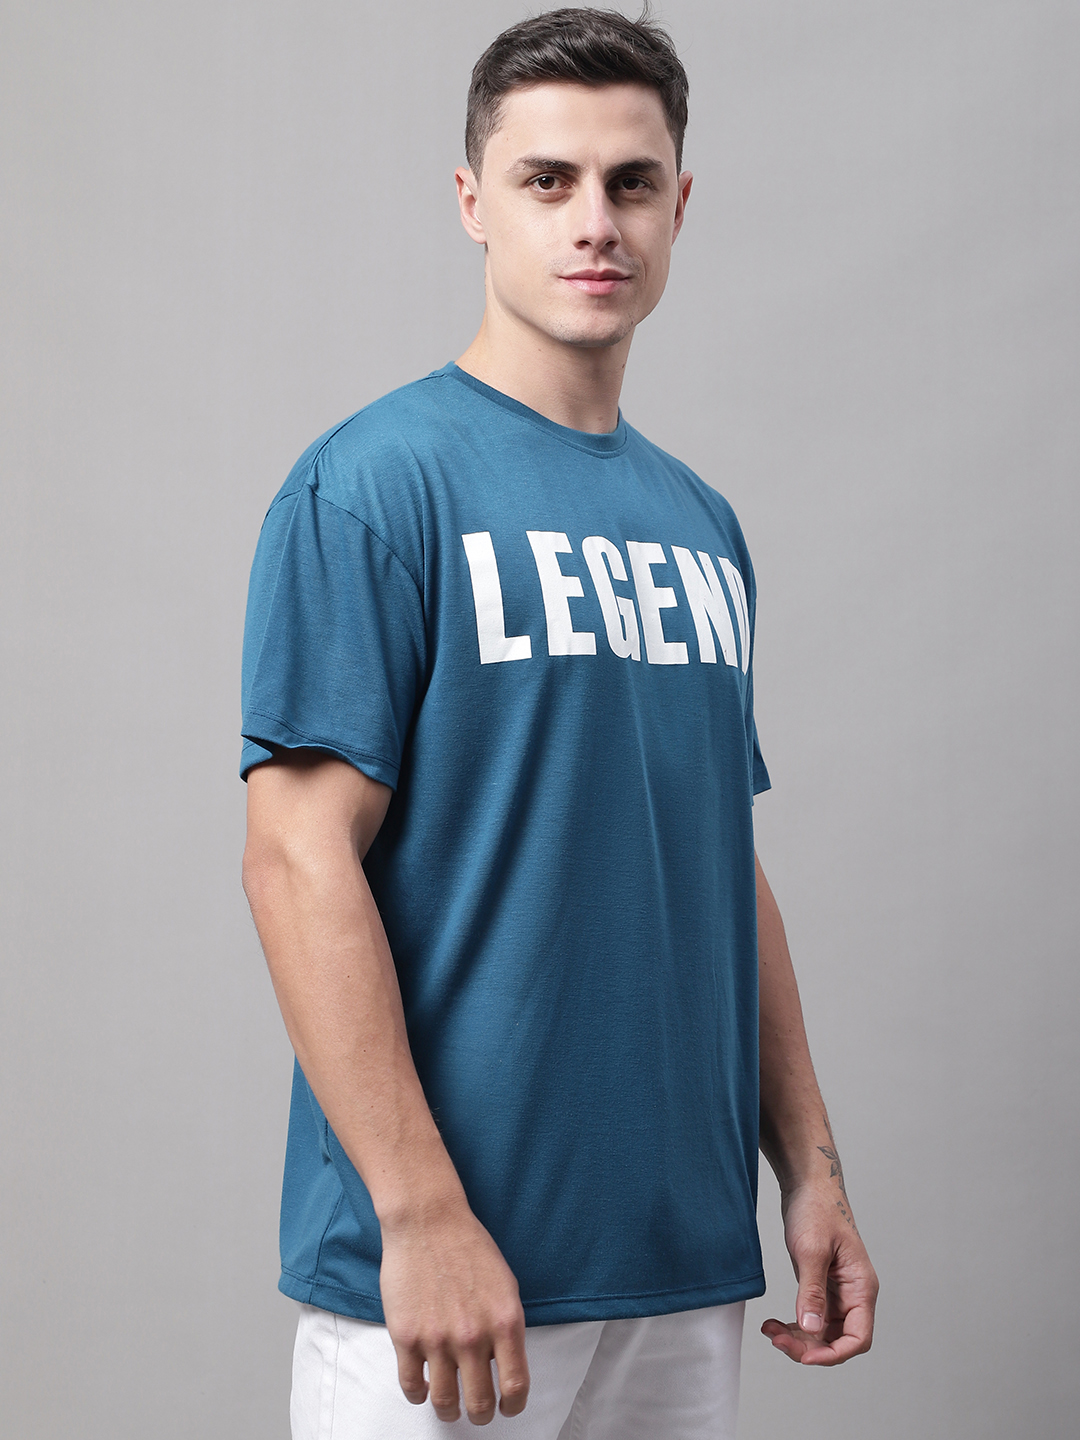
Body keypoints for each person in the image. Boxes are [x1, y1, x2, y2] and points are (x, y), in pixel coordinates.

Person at [240, 9, 878, 1437]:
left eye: (631, 182)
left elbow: (718, 863)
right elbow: (293, 858)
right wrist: (421, 1214)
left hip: (679, 1264)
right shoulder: (374, 486)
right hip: (449, 1280)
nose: (596, 222)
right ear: (474, 201)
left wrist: (810, 1172)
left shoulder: (702, 523)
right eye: (548, 181)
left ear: (679, 206)